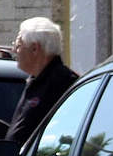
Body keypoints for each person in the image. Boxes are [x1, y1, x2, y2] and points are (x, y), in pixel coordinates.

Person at [6, 17, 78, 145]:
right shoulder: (36, 81)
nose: (14, 50)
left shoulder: (63, 82)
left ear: (34, 48)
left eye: (18, 45)